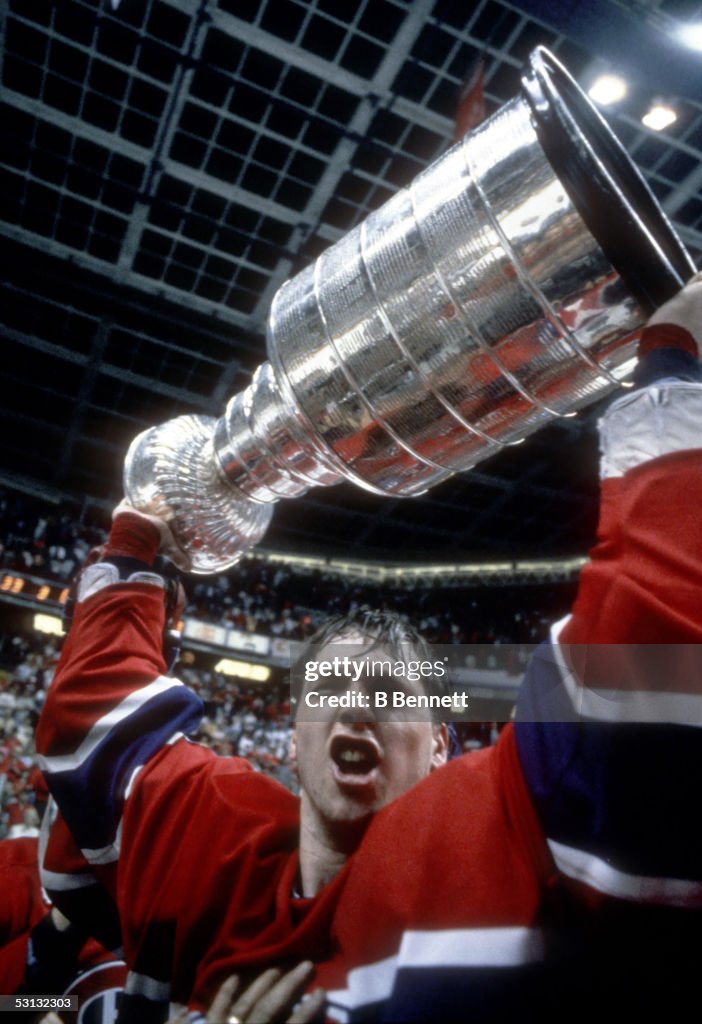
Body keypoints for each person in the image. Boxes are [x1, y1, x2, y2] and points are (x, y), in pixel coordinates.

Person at [35, 275, 702, 1021]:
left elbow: (655, 669)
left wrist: (676, 379)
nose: (357, 706)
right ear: (292, 738)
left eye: (388, 693)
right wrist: (134, 548)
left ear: (444, 748)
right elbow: (99, 726)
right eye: (330, 690)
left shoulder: (495, 825)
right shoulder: (218, 846)